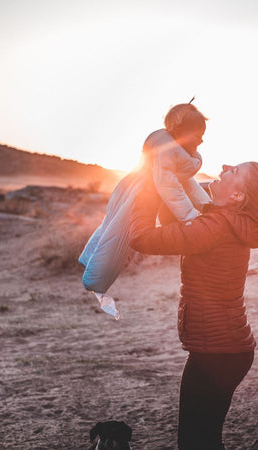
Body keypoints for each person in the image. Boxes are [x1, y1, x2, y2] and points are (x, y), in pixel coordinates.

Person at [129, 161, 258, 449]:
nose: (225, 166)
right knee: (204, 440)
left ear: (237, 197)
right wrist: (166, 189)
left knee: (195, 444)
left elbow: (140, 237)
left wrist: (147, 190)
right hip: (228, 351)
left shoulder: (216, 226)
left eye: (234, 171)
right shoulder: (230, 224)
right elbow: (180, 231)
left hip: (216, 353)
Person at [78, 103, 211, 314]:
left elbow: (188, 183)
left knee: (113, 232)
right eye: (198, 135)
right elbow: (169, 186)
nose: (202, 140)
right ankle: (95, 277)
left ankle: (93, 269)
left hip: (148, 194)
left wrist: (207, 205)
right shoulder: (165, 152)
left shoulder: (178, 154)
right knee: (116, 235)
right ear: (180, 133)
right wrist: (190, 216)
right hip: (140, 194)